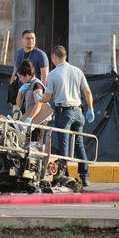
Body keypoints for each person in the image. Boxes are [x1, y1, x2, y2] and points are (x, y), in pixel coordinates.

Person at [37, 45, 95, 186]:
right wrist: (90, 109)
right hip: (78, 112)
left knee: (64, 144)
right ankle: (84, 176)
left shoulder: (53, 74)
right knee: (79, 144)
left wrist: (39, 98)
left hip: (64, 112)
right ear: (65, 56)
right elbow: (87, 92)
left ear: (54, 57)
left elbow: (48, 96)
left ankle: (65, 174)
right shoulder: (77, 71)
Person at [15, 59, 46, 143]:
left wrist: (29, 118)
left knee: (35, 144)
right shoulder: (26, 85)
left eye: (21, 77)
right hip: (29, 120)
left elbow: (38, 104)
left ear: (27, 75)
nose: (20, 80)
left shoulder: (37, 85)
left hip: (37, 120)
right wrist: (19, 92)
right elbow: (19, 105)